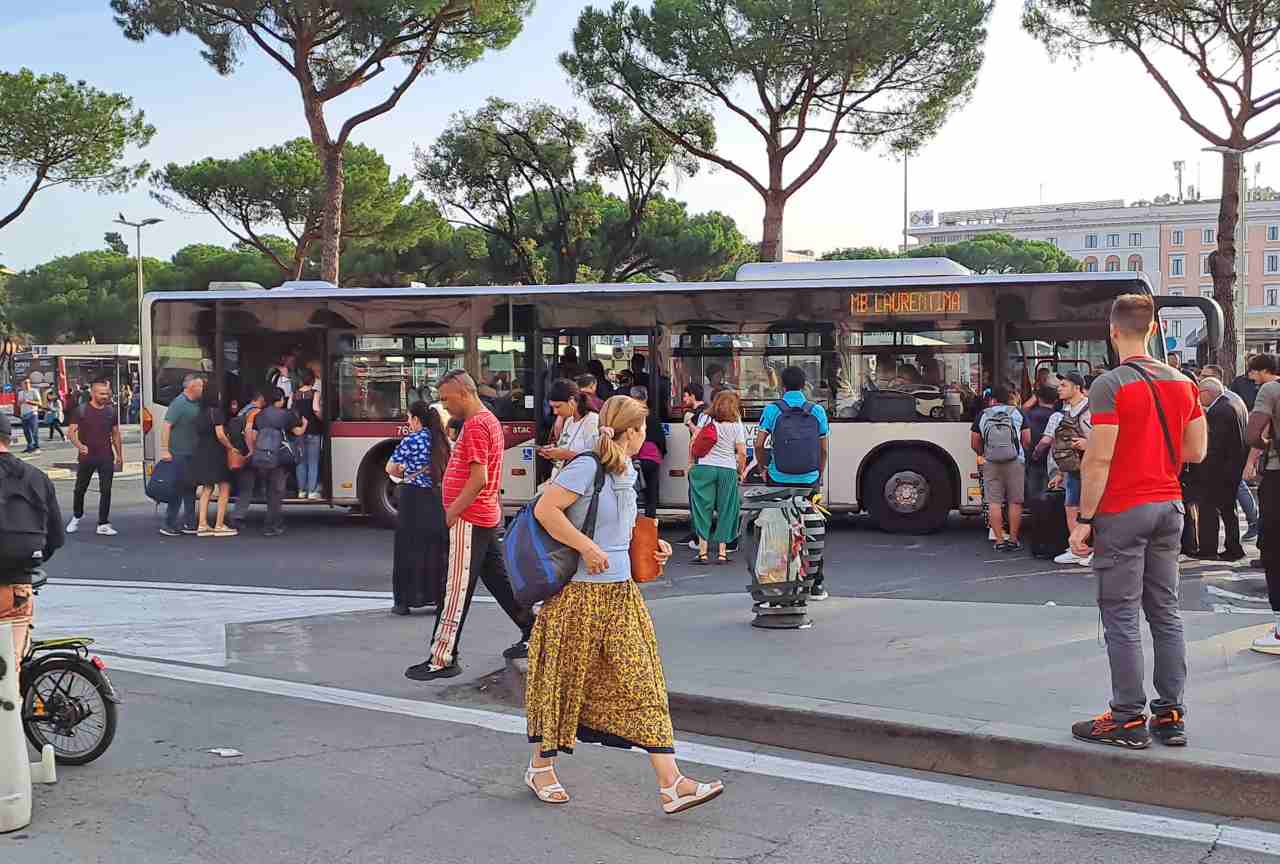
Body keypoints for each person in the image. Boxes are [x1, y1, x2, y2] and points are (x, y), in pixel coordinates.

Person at [523, 395, 724, 813]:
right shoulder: (586, 466)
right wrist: (586, 547)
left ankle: (672, 784)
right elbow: (546, 510)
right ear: (631, 431)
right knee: (564, 686)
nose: (645, 436)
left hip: (620, 595)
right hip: (578, 596)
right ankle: (541, 767)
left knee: (644, 683)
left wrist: (652, 546)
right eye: (643, 429)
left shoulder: (625, 471)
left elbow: (622, 524)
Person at [1068, 293, 1206, 748]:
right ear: (1153, 331)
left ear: (1112, 331)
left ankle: (1128, 718)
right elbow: (1196, 451)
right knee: (1165, 613)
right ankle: (1170, 714)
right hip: (1170, 506)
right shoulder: (1184, 383)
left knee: (1122, 613)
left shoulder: (1111, 384)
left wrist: (1084, 519)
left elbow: (1099, 459)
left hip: (1124, 509)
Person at [404, 370, 535, 681]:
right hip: (484, 514)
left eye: (447, 399)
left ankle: (442, 656)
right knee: (500, 580)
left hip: (470, 517)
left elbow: (479, 478)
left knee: (455, 588)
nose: (445, 406)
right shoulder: (488, 420)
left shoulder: (476, 426)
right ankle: (534, 630)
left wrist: (453, 512)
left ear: (463, 393)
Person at [755, 366, 830, 599]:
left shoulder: (773, 410)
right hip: (809, 480)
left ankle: (780, 579)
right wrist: (817, 473)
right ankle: (816, 584)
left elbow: (759, 444)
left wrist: (763, 467)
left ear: (782, 386)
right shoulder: (817, 411)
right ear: (804, 385)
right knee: (813, 529)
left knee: (778, 528)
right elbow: (824, 448)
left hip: (779, 478)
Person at [0, 412, 64, 662]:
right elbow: (56, 538)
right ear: (10, 438)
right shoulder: (36, 477)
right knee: (12, 667)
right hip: (19, 587)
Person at [387, 401, 450, 615]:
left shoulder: (411, 440)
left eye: (408, 418)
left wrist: (402, 469)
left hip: (412, 499)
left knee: (408, 549)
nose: (408, 422)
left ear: (416, 419)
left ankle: (404, 602)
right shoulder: (442, 440)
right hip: (436, 499)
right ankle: (438, 599)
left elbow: (390, 468)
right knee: (436, 549)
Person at [690, 389, 747, 565]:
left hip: (704, 467)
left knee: (702, 508)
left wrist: (691, 464)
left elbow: (694, 442)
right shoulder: (736, 423)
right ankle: (722, 553)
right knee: (727, 509)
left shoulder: (705, 418)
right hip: (727, 469)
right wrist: (740, 471)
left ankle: (703, 552)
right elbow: (742, 452)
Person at [1247, 353, 1280, 654]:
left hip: (1277, 475)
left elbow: (1252, 434)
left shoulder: (1272, 390)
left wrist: (1267, 445)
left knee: (1273, 546)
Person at [1042, 372, 1092, 565]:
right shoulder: (1067, 410)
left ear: (1077, 388)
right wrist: (1060, 474)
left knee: (1089, 510)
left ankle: (1087, 550)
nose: (1059, 388)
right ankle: (1078, 549)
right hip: (1072, 469)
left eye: (1063, 385)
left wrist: (1089, 443)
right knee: (1071, 508)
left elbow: (1106, 437)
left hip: (1090, 467)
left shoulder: (1090, 410)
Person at [1196, 376, 1248, 561]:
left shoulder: (1219, 411)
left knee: (1210, 510)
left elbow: (1214, 447)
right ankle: (1234, 547)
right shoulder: (1234, 402)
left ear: (1207, 393)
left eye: (1198, 394)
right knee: (1228, 509)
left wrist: (1201, 467)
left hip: (1219, 470)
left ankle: (1208, 548)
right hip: (1233, 467)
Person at [66, 377, 124, 537]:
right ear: (92, 393)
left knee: (106, 490)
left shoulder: (111, 411)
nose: (105, 396)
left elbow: (116, 434)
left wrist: (120, 455)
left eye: (106, 393)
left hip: (106, 456)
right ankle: (77, 516)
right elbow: (71, 433)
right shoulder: (81, 410)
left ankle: (103, 523)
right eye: (101, 394)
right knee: (80, 489)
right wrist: (80, 446)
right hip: (87, 457)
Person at [972, 385, 1026, 552]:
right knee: (1015, 501)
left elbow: (974, 442)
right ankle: (1014, 540)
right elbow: (1027, 439)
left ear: (992, 399)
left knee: (994, 502)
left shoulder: (983, 414)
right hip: (1015, 460)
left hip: (991, 462)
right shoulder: (1017, 413)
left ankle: (1000, 541)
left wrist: (984, 453)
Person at [247, 387, 306, 538]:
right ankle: (272, 525)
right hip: (278, 458)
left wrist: (257, 451)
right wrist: (305, 423)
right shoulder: (286, 415)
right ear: (280, 399)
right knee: (277, 492)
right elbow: (298, 432)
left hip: (262, 457)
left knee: (269, 491)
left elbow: (253, 436)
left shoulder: (259, 415)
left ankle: (272, 523)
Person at [158, 374, 205, 537]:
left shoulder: (197, 403)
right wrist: (165, 449)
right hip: (179, 453)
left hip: (192, 453)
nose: (202, 389)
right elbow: (166, 426)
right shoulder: (179, 403)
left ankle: (190, 523)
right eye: (200, 386)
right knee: (177, 489)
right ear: (191, 387)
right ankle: (169, 523)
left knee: (190, 488)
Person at [190, 392, 239, 538]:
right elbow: (220, 435)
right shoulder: (216, 413)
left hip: (202, 452)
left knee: (207, 488)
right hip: (216, 453)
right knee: (224, 486)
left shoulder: (199, 414)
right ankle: (219, 525)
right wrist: (230, 447)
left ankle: (202, 525)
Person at [539, 379, 600, 478]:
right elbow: (565, 446)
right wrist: (553, 450)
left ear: (571, 401)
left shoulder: (592, 421)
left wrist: (564, 454)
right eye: (553, 408)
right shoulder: (569, 420)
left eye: (558, 407)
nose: (555, 412)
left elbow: (595, 459)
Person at [228, 391, 267, 528]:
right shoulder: (256, 412)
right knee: (248, 485)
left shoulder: (243, 411)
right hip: (248, 452)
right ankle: (237, 516)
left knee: (246, 484)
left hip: (239, 451)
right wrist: (251, 450)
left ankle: (238, 514)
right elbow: (249, 432)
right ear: (260, 399)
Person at [1022, 383, 1058, 504]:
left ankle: (1036, 516)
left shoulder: (1028, 415)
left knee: (1034, 495)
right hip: (1054, 461)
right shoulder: (1058, 415)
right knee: (1053, 493)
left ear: (1038, 399)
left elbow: (1021, 410)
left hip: (1033, 459)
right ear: (1056, 400)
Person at [291, 370, 324, 499]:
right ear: (313, 381)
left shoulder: (294, 394)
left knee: (300, 461)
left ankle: (301, 491)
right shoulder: (315, 393)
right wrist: (323, 418)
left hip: (298, 432)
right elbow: (316, 409)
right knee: (313, 462)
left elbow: (291, 410)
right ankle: (311, 491)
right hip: (313, 431)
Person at [16, 377, 42, 453]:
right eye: (25, 383)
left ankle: (37, 447)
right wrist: (19, 403)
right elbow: (18, 404)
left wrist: (29, 401)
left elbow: (40, 403)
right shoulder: (20, 393)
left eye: (28, 383)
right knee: (26, 432)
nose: (27, 385)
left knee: (34, 431)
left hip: (32, 413)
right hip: (24, 414)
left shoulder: (34, 391)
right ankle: (30, 446)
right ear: (22, 385)